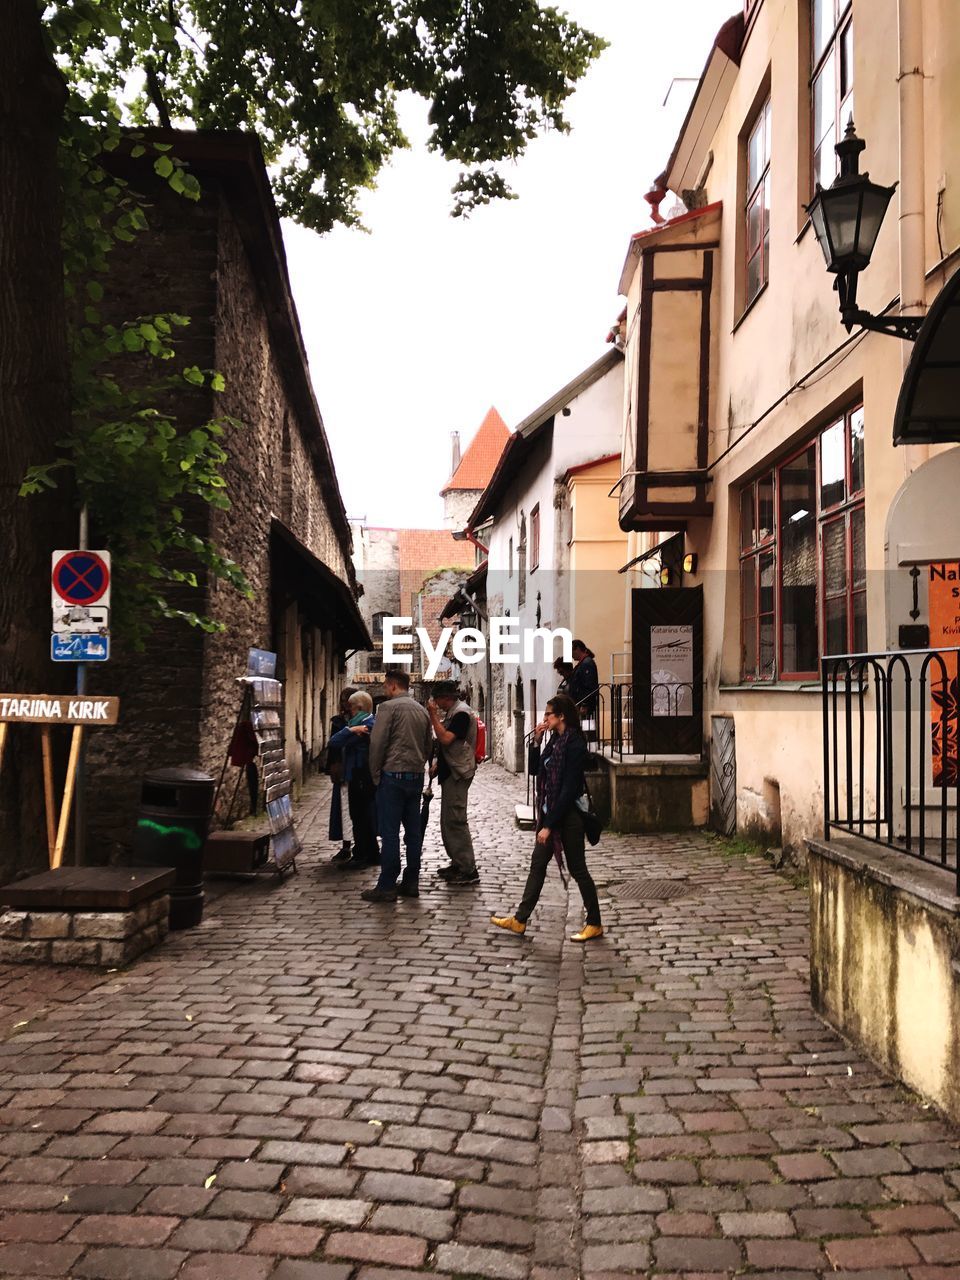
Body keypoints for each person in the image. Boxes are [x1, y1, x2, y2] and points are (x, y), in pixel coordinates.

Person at [491, 693, 602, 942]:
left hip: (568, 817)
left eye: (548, 715)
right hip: (549, 813)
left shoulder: (574, 744)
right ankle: (520, 920)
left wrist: (549, 825)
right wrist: (537, 741)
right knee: (537, 866)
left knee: (578, 869)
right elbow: (535, 770)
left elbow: (569, 788)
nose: (544, 719)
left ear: (561, 716)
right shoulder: (554, 741)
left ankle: (594, 922)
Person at [363, 669, 432, 903]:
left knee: (390, 832)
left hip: (392, 776)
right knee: (413, 833)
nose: (385, 690)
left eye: (385, 686)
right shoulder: (422, 710)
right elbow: (427, 746)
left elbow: (378, 743)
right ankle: (412, 881)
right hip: (415, 776)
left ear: (392, 686)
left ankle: (387, 885)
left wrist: (374, 775)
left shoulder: (388, 708)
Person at [427, 681, 479, 886]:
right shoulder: (453, 713)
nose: (436, 704)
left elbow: (446, 739)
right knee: (448, 820)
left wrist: (432, 716)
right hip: (451, 770)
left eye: (437, 700)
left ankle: (468, 868)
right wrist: (439, 763)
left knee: (456, 820)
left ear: (445, 698)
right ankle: (458, 862)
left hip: (459, 771)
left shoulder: (461, 714)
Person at [325, 690, 379, 869]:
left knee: (359, 816)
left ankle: (361, 854)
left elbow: (335, 741)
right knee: (364, 816)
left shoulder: (365, 725)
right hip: (359, 775)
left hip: (360, 776)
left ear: (360, 708)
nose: (349, 711)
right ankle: (372, 853)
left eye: (352, 708)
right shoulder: (364, 722)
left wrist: (350, 730)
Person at [326, 686, 358, 863]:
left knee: (359, 810)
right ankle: (346, 845)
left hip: (358, 770)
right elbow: (333, 745)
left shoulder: (364, 720)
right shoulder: (339, 722)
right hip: (343, 770)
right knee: (344, 808)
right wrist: (332, 766)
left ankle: (361, 844)